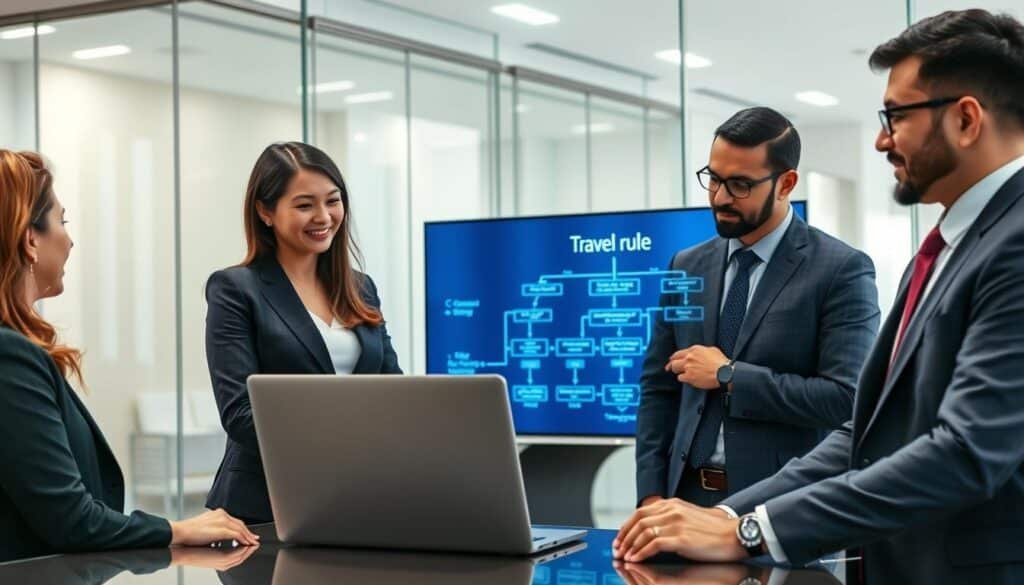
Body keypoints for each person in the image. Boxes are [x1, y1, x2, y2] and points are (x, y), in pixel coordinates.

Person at [614, 9, 1024, 584]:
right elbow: (868, 430)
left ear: (965, 119)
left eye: (895, 116)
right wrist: (732, 517)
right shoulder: (943, 249)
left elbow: (966, 451)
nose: (882, 139)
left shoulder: (1013, 243)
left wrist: (750, 529)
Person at [0, 149, 258, 563]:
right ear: (30, 239)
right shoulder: (9, 355)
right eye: (61, 221)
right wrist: (177, 529)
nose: (69, 239)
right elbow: (71, 519)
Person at [635, 107, 880, 508]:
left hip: (783, 505)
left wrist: (729, 375)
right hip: (683, 499)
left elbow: (847, 399)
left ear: (786, 184)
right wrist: (650, 495)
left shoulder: (841, 270)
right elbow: (658, 390)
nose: (719, 197)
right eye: (713, 179)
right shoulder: (686, 265)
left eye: (740, 185)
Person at [205, 141, 403, 524]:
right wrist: (353, 442)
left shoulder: (360, 288)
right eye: (304, 205)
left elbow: (392, 389)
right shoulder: (235, 289)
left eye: (333, 201)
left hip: (359, 497)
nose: (324, 216)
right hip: (265, 506)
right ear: (265, 211)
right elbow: (241, 415)